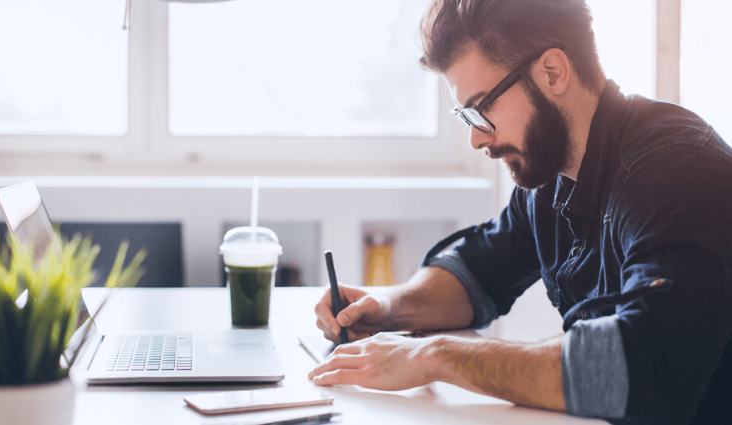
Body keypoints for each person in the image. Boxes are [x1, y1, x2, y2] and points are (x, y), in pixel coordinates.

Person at [307, 0, 732, 424]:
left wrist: (433, 354)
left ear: (552, 72)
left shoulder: (679, 172)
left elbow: (642, 368)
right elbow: (479, 269)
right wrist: (387, 306)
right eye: (465, 116)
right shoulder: (552, 171)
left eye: (482, 108)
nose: (475, 139)